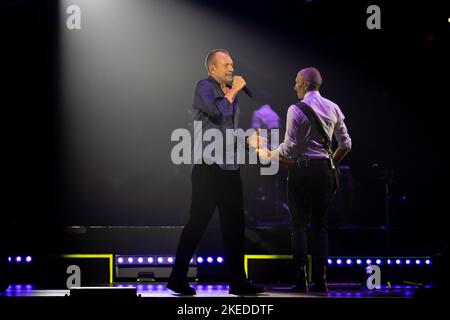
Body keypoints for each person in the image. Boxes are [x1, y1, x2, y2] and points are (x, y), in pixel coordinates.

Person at [167, 49, 264, 295]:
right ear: (212, 69)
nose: (232, 69)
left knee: (234, 225)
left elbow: (225, 131)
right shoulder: (204, 87)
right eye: (226, 65)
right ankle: (177, 278)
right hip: (208, 168)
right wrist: (234, 90)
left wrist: (245, 141)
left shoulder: (229, 94)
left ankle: (237, 282)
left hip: (229, 168)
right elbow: (218, 112)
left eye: (232, 64)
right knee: (198, 222)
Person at [256, 67, 352, 292]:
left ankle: (300, 280)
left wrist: (270, 152)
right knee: (320, 226)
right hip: (324, 173)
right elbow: (346, 144)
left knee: (298, 225)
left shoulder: (295, 109)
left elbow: (289, 149)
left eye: (297, 81)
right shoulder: (333, 107)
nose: (294, 86)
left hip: (301, 171)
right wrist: (330, 163)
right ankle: (321, 281)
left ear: (306, 84)